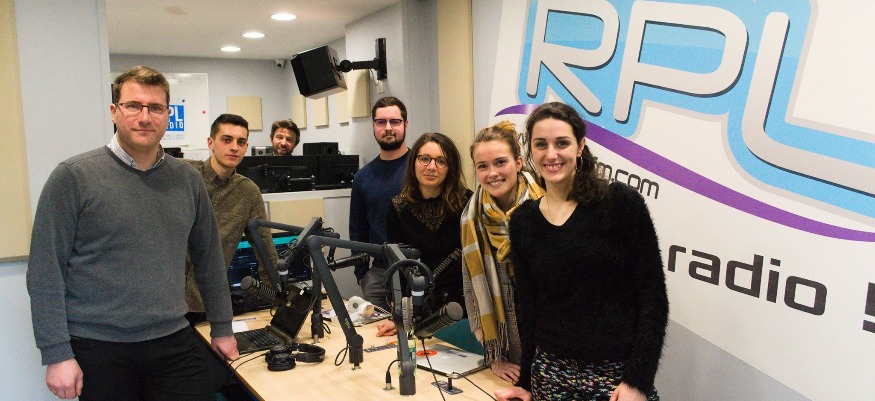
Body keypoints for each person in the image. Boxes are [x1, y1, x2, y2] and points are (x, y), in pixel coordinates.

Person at [26, 66, 238, 400]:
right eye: (133, 106)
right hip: (99, 346)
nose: (145, 117)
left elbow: (209, 259)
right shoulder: (73, 177)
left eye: (155, 108)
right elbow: (45, 270)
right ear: (115, 112)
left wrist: (222, 327)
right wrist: (56, 353)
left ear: (167, 115)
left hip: (172, 336)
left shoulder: (187, 179)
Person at [495, 102, 668, 401]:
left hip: (615, 378)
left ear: (580, 146)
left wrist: (638, 382)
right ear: (531, 151)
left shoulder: (620, 204)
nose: (551, 154)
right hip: (549, 374)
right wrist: (526, 383)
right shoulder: (523, 220)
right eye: (541, 144)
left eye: (562, 143)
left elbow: (653, 298)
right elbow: (528, 308)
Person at [460, 121, 544, 382]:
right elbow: (471, 289)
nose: (492, 173)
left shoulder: (546, 205)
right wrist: (495, 358)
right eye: (482, 166)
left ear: (518, 163)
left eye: (500, 162)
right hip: (509, 346)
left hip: (551, 340)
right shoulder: (471, 217)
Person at [184, 114, 278, 324]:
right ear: (211, 143)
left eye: (241, 142)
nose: (234, 147)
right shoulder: (185, 175)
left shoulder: (248, 192)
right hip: (163, 298)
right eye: (227, 140)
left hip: (205, 302)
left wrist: (277, 296)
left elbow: (265, 248)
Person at [376, 133, 472, 337]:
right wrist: (399, 316)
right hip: (419, 307)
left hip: (463, 310)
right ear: (414, 162)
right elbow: (398, 268)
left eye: (441, 161)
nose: (431, 167)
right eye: (425, 159)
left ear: (451, 167)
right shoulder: (398, 207)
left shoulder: (467, 203)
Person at [349, 96, 411, 311]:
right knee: (378, 331)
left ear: (405, 124)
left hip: (415, 269)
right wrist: (361, 275)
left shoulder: (420, 169)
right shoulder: (363, 177)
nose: (388, 128)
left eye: (395, 121)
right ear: (374, 126)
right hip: (377, 276)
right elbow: (357, 229)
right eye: (381, 122)